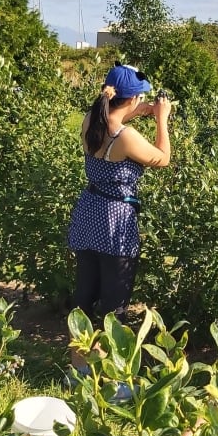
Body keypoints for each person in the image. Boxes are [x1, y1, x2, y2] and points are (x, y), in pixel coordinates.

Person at [67, 62, 171, 371]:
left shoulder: (91, 121)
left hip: (89, 214)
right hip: (115, 221)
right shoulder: (125, 138)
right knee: (115, 302)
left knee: (85, 294)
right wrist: (161, 121)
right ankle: (111, 375)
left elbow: (114, 114)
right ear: (132, 98)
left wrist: (143, 109)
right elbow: (162, 158)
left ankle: (79, 367)